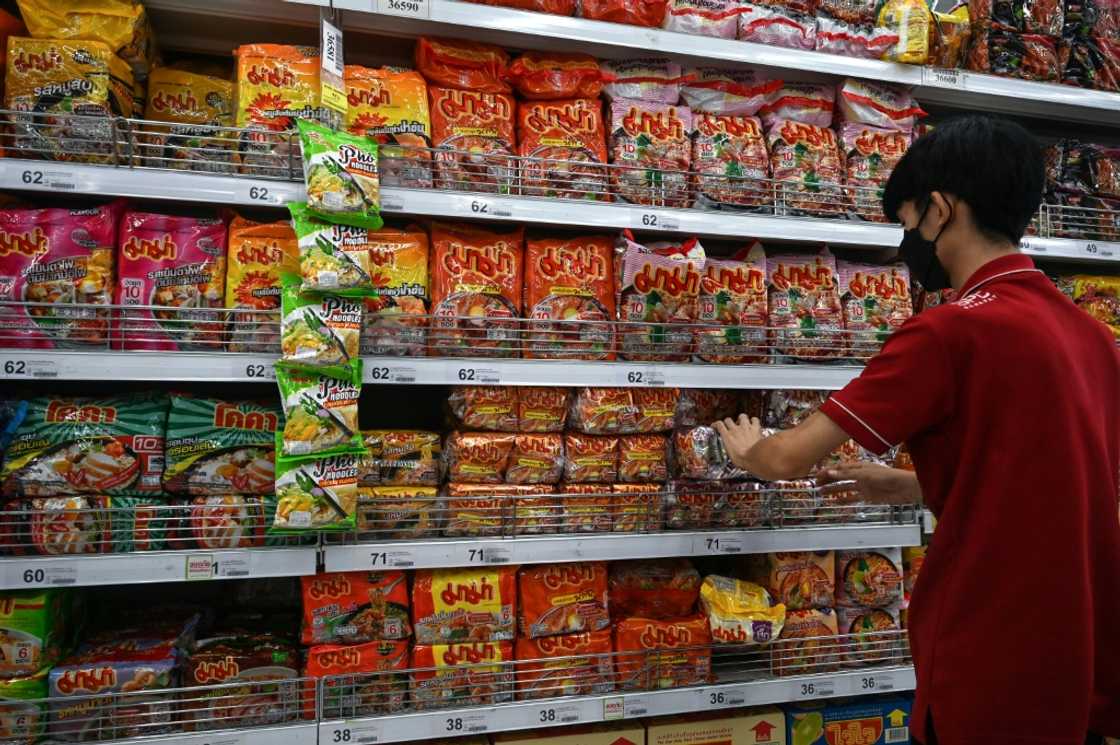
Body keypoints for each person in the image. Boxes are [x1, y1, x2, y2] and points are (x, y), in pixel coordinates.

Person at [714, 115, 1120, 745]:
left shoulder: (948, 333)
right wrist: (909, 483)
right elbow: (1049, 474)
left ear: (939, 210)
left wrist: (749, 449)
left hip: (986, 650)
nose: (906, 241)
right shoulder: (1093, 337)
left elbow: (790, 459)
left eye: (905, 222)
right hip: (1077, 653)